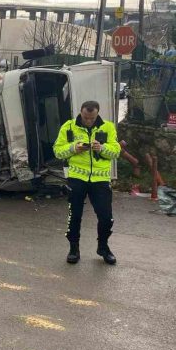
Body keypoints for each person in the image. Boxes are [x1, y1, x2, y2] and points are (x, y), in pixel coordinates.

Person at [53, 101, 121, 265]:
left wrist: (101, 148)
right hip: (77, 178)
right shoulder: (69, 127)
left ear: (97, 114)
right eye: (85, 118)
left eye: (92, 118)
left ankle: (103, 247)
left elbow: (116, 152)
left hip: (100, 180)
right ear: (81, 113)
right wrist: (73, 148)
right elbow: (57, 151)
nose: (88, 121)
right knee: (74, 216)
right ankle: (74, 248)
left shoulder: (108, 127)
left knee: (106, 217)